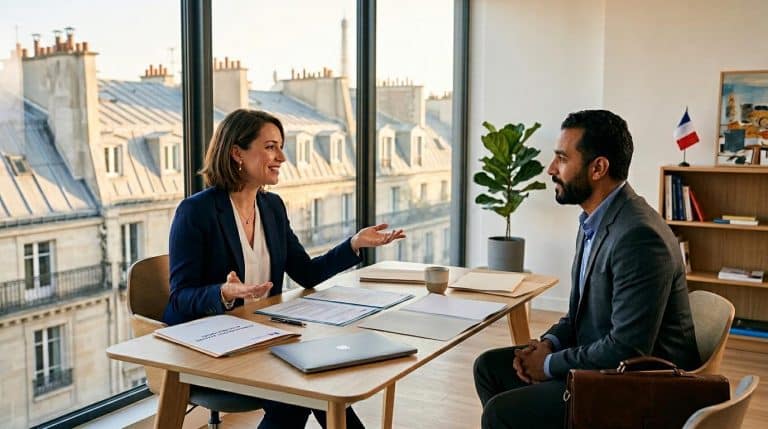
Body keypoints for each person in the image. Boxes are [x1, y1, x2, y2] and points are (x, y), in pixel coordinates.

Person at [162, 108, 405, 429]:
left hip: (261, 337)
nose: (282, 157)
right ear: (237, 152)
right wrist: (222, 293)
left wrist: (354, 245)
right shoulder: (196, 212)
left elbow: (306, 273)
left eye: (281, 146)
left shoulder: (271, 207)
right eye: (271, 147)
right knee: (302, 391)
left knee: (317, 380)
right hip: (210, 345)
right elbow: (180, 298)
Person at [473, 109, 700, 429]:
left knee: (501, 412)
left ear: (598, 168)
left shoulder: (639, 236)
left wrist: (549, 364)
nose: (551, 169)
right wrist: (549, 343)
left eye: (562, 158)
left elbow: (628, 350)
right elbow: (580, 315)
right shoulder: (594, 221)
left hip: (635, 388)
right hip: (604, 364)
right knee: (489, 367)